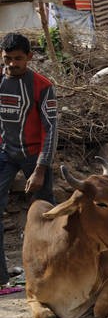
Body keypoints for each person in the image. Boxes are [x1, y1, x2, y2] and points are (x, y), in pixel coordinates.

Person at [0, 32, 56, 286]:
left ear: (29, 57)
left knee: (46, 213)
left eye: (18, 59)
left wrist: (41, 169)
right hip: (4, 153)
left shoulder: (42, 86)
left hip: (35, 155)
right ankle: (2, 279)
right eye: (7, 58)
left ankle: (52, 272)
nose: (12, 64)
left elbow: (51, 129)